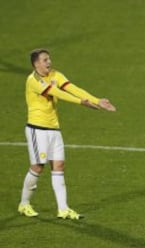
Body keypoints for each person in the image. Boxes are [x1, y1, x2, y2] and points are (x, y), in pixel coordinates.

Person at [18, 48, 116, 219]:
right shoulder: (33, 80)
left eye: (49, 59)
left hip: (54, 128)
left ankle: (63, 209)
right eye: (45, 60)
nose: (49, 62)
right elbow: (56, 93)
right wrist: (81, 103)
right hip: (37, 129)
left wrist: (96, 100)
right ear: (36, 64)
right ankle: (24, 204)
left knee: (59, 166)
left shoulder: (55, 74)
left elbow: (73, 88)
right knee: (38, 167)